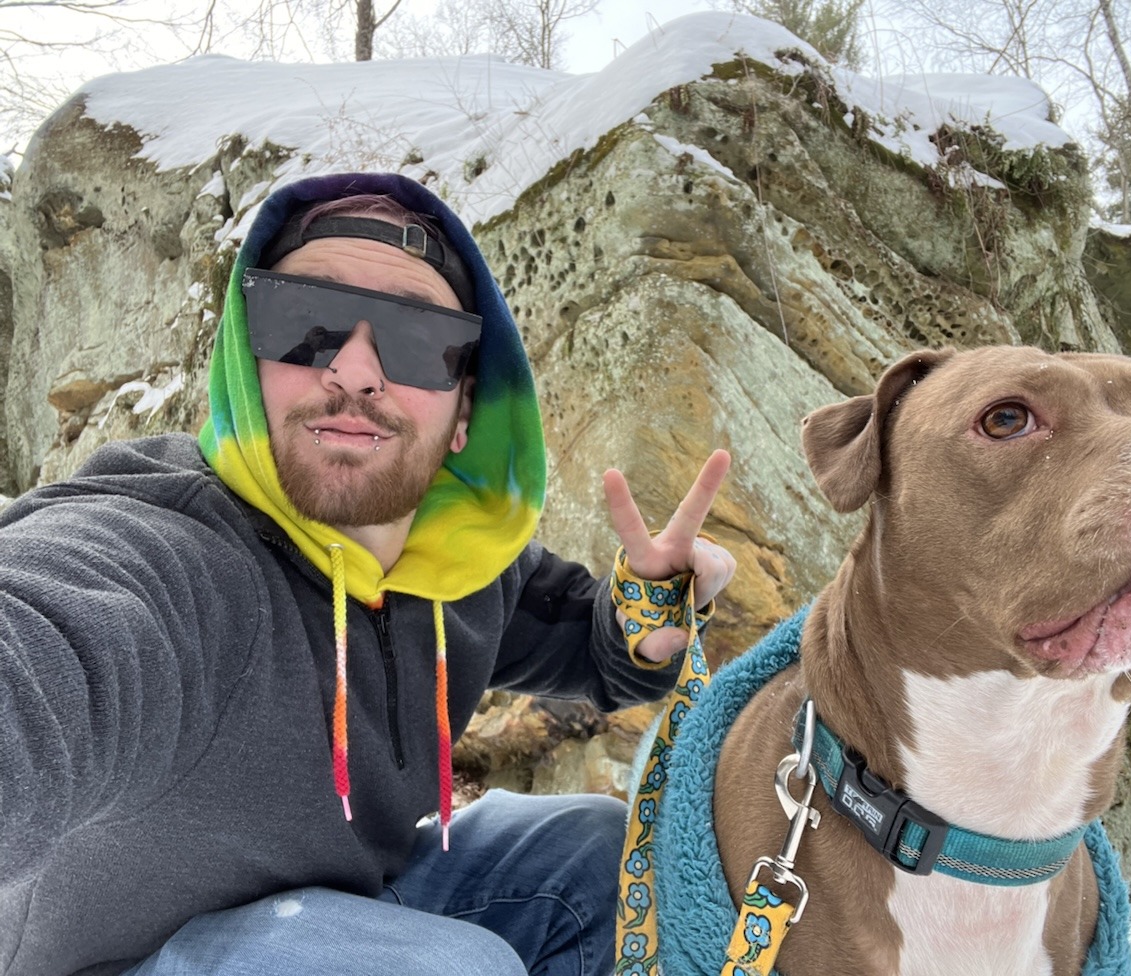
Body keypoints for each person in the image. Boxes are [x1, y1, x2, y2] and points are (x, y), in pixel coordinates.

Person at [0, 171, 735, 976]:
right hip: (118, 959)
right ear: (251, 364)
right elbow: (43, 649)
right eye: (304, 322)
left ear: (463, 415)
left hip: (348, 907)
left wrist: (648, 608)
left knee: (603, 860)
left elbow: (595, 647)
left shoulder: (462, 566)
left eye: (416, 340)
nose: (353, 371)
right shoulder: (164, 554)